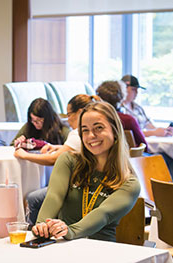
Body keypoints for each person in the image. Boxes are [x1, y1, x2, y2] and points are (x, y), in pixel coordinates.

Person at [33, 101, 140, 241]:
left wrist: (70, 231)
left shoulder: (129, 182)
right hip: (63, 245)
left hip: (101, 250)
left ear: (115, 131)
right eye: (85, 130)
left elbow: (103, 214)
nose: (91, 136)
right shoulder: (69, 161)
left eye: (99, 128)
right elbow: (54, 196)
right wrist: (42, 225)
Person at [18, 94, 94, 225]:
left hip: (80, 185)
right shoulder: (86, 132)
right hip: (87, 182)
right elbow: (74, 150)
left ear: (80, 113)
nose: (68, 119)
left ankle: (38, 234)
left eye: (69, 114)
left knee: (32, 199)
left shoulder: (77, 133)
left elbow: (53, 159)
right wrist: (57, 147)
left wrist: (24, 155)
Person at [95, 81, 147, 148]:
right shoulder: (128, 120)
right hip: (128, 157)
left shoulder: (94, 118)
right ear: (122, 98)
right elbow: (144, 146)